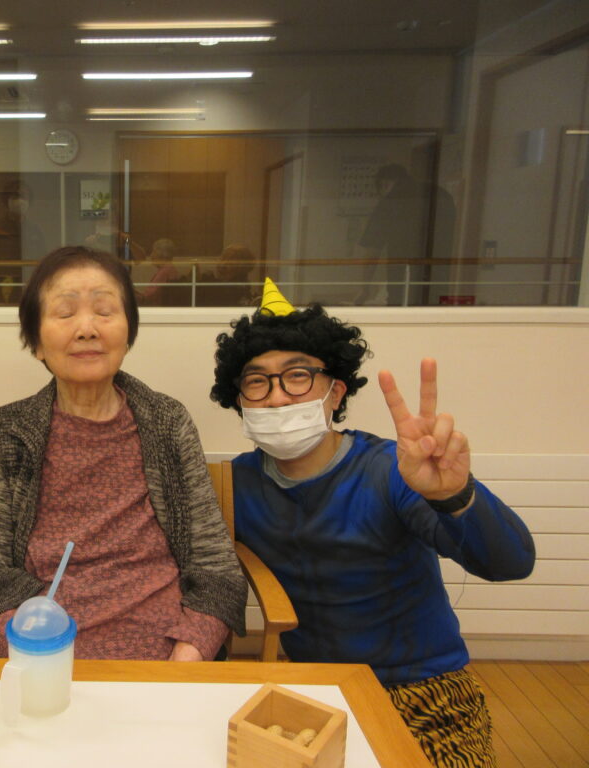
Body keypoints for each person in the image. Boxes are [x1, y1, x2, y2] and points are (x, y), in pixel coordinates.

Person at [210, 279, 534, 768]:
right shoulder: (237, 484)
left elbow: (511, 563)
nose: (276, 398)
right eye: (257, 382)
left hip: (425, 690)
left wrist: (454, 494)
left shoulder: (393, 470)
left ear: (335, 390)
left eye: (297, 376)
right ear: (240, 400)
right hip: (315, 689)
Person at [0, 246, 247, 661]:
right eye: (65, 313)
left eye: (105, 311)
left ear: (128, 334)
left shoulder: (167, 421)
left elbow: (214, 565)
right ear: (36, 343)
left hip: (167, 659)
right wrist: (32, 655)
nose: (87, 329)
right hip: (44, 653)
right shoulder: (7, 432)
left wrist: (189, 655)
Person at [358, 163, 456, 306]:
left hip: (401, 275)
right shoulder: (441, 194)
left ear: (385, 184)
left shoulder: (391, 202)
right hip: (439, 275)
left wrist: (364, 288)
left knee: (400, 309)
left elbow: (372, 251)